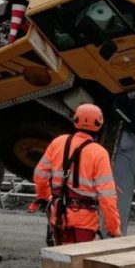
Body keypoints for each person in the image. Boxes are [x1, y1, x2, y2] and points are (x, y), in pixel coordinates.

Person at [29, 103, 120, 245]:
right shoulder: (99, 153)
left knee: (61, 258)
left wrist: (44, 197)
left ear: (76, 120)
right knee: (81, 262)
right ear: (99, 124)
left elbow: (40, 175)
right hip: (84, 222)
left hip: (58, 215)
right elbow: (107, 196)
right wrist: (113, 228)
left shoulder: (58, 142)